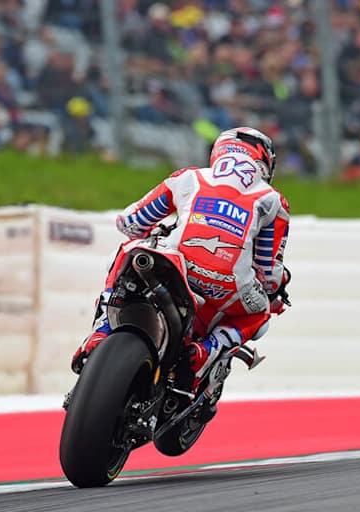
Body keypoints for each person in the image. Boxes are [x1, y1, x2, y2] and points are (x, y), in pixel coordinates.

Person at [71, 127, 291, 393]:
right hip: (227, 286)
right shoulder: (273, 200)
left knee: (127, 250)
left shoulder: (189, 178)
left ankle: (102, 330)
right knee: (260, 313)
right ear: (264, 162)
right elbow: (267, 275)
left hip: (176, 263)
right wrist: (281, 281)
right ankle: (208, 349)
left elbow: (128, 223)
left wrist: (163, 229)